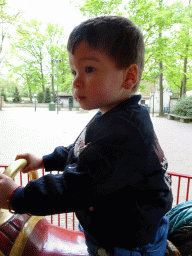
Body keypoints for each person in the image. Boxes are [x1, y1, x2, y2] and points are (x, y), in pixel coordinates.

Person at [0, 16, 172, 256]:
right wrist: (45, 160)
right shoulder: (115, 115)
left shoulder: (126, 132)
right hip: (112, 222)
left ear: (129, 76)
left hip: (126, 241)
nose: (76, 82)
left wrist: (15, 197)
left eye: (89, 69)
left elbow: (76, 187)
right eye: (74, 71)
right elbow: (82, 149)